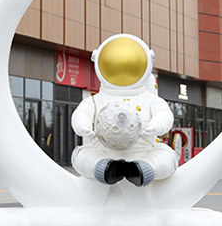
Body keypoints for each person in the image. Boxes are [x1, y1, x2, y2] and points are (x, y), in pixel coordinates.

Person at [71, 34, 178, 187]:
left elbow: (164, 114)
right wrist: (82, 125)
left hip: (144, 152)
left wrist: (157, 125)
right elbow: (82, 113)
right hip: (102, 152)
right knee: (82, 155)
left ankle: (144, 169)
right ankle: (104, 168)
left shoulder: (149, 99)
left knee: (166, 155)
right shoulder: (96, 100)